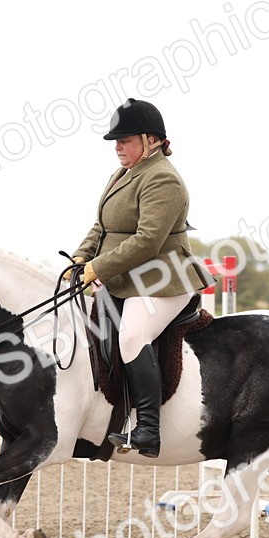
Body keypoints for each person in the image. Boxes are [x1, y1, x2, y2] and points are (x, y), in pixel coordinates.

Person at [69, 98, 216, 458]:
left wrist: (97, 269)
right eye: (116, 141)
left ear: (151, 140)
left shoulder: (163, 178)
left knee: (133, 334)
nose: (117, 147)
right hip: (128, 278)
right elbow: (102, 227)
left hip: (164, 278)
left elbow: (147, 241)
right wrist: (81, 256)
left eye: (125, 140)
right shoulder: (122, 174)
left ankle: (148, 429)